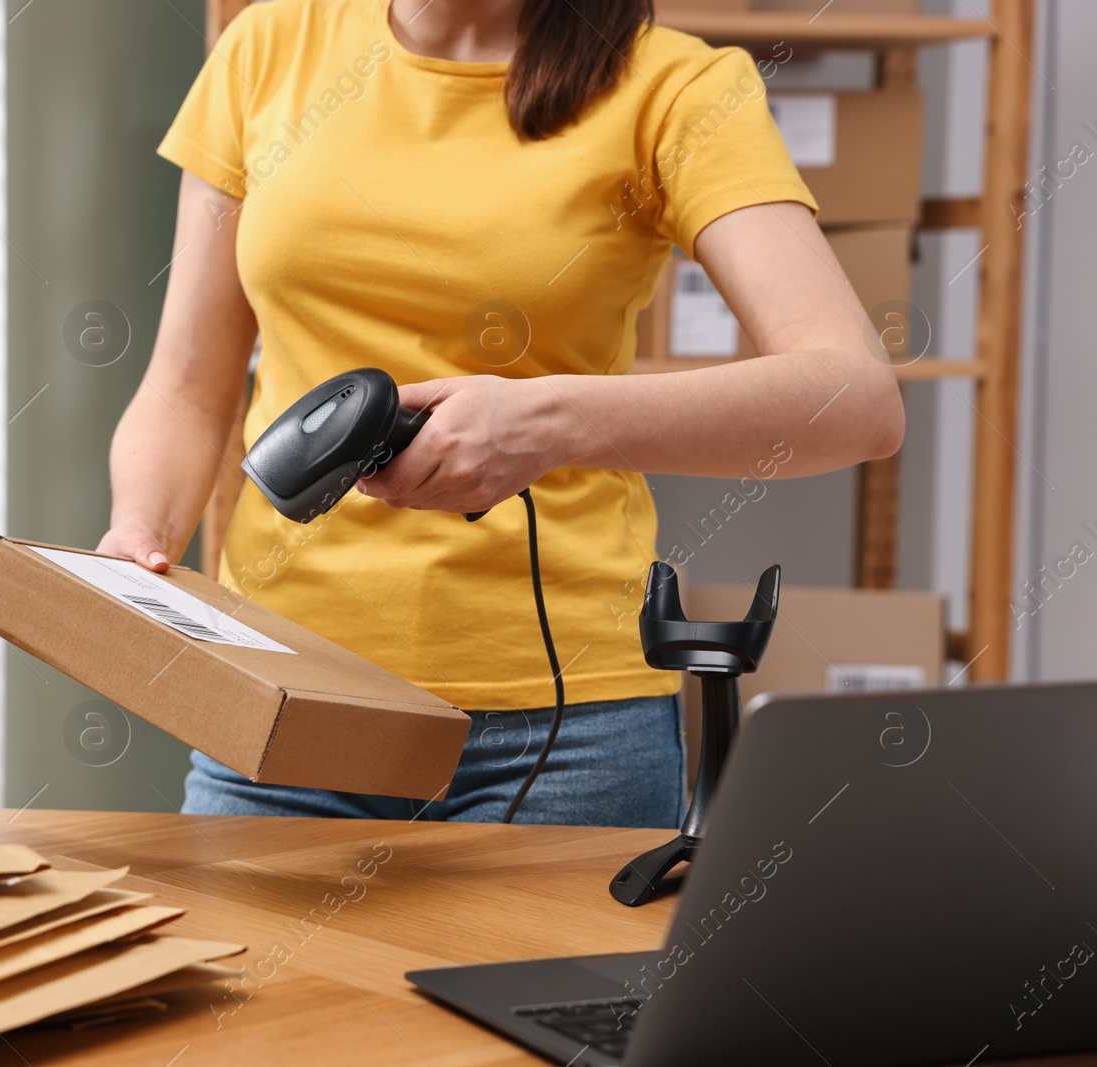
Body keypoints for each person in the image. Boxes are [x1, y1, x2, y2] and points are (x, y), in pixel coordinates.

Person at [97, 0, 904, 825]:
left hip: (564, 739)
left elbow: (855, 398)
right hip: (276, 698)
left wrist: (546, 422)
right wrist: (140, 533)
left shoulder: (678, 86)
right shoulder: (267, 46)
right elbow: (186, 390)